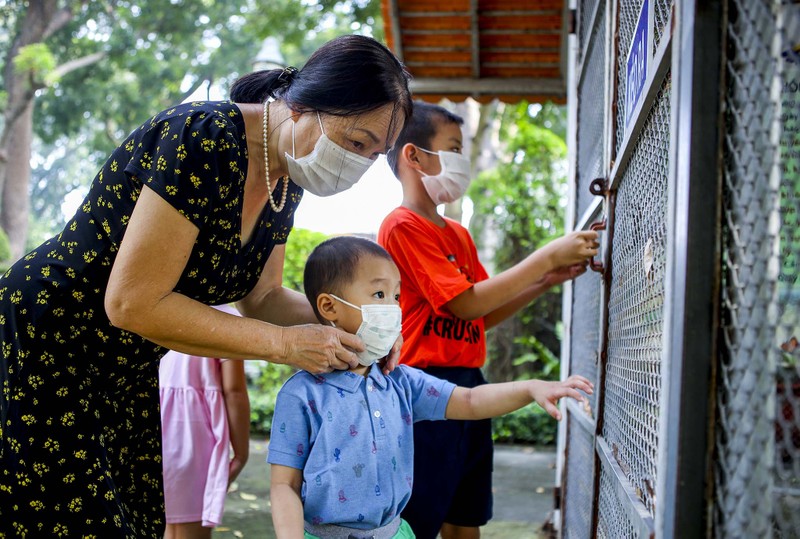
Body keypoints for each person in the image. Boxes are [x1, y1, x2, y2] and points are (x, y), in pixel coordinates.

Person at [0, 34, 412, 537]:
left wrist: (361, 329)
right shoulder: (205, 136)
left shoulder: (288, 180)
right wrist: (285, 346)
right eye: (356, 143)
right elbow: (132, 301)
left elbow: (262, 298)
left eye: (375, 154)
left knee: (140, 522)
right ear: (306, 104)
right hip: (49, 341)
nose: (360, 164)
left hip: (126, 365)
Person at [267, 236, 594, 539]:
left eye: (396, 296)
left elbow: (469, 401)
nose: (393, 308)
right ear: (329, 307)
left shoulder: (399, 380)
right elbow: (285, 485)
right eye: (379, 294)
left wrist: (530, 389)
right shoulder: (302, 395)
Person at [378, 101, 599, 539]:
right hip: (425, 385)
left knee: (466, 513)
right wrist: (543, 257)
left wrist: (544, 280)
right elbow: (462, 303)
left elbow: (480, 311)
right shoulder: (402, 226)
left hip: (469, 380)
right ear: (414, 155)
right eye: (454, 148)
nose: (463, 160)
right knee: (419, 514)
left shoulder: (456, 234)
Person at [159, 303, 250, 538]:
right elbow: (234, 391)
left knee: (166, 523)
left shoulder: (159, 307)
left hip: (158, 427)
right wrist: (241, 453)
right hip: (195, 435)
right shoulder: (226, 318)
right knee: (192, 527)